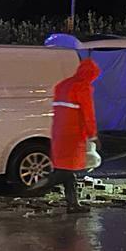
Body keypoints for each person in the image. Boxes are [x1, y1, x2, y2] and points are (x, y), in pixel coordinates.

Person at [47, 57, 101, 213]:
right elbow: (88, 114)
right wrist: (93, 136)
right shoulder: (82, 87)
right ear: (91, 74)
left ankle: (73, 204)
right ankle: (35, 187)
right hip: (73, 135)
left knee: (66, 171)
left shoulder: (62, 85)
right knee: (64, 171)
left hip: (59, 133)